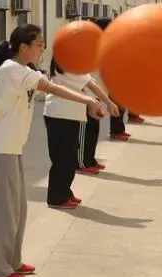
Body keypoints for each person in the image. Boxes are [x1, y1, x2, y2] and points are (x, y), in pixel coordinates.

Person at [0, 24, 103, 277]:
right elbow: (52, 88)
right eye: (38, 44)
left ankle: (12, 261)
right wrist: (88, 101)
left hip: (12, 148)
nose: (42, 49)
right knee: (4, 212)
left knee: (18, 210)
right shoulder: (13, 69)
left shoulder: (25, 70)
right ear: (23, 47)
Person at [43, 58, 118, 208]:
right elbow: (92, 85)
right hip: (59, 115)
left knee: (68, 159)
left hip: (69, 115)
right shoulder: (67, 66)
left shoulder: (73, 66)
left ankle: (64, 192)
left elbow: (91, 85)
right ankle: (57, 197)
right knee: (63, 160)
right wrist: (108, 102)